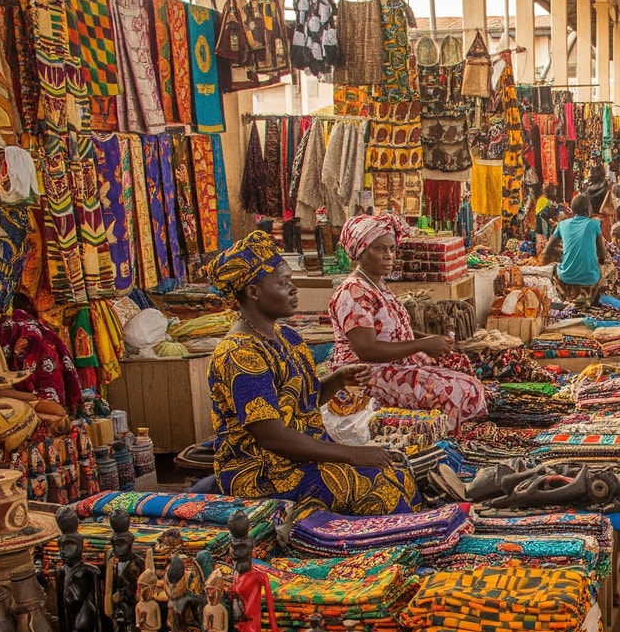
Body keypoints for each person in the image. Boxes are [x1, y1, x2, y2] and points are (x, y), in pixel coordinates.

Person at [206, 230, 419, 517]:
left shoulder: (287, 337)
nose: (294, 290)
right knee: (379, 488)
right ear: (253, 292)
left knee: (399, 473)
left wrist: (338, 379)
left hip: (297, 457)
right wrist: (353, 453)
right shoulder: (240, 354)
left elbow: (301, 402)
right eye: (284, 283)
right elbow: (272, 436)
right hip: (263, 469)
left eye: (291, 281)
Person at [328, 214, 487, 429]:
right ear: (360, 252)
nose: (389, 256)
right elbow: (367, 350)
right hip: (365, 374)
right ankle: (443, 438)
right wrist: (423, 345)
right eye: (380, 249)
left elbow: (396, 330)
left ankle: (454, 428)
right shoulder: (353, 292)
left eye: (392, 249)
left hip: (395, 363)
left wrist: (429, 339)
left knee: (461, 366)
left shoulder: (377, 286)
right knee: (457, 389)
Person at [544, 194, 612, 303]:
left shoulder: (562, 224)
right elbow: (602, 256)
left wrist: (561, 257)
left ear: (572, 210)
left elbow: (547, 250)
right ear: (587, 210)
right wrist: (598, 262)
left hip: (565, 277)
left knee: (553, 267)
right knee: (610, 267)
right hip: (590, 278)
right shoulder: (594, 224)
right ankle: (591, 296)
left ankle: (567, 294)